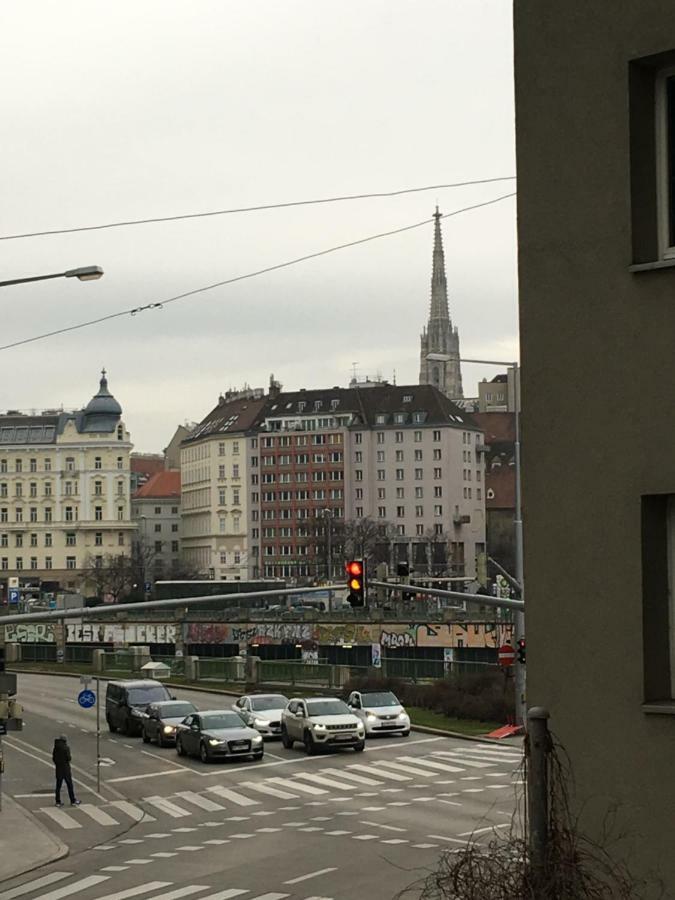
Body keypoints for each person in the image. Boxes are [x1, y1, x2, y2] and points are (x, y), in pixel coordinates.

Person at [52, 735, 80, 807]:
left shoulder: (56, 748)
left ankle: (58, 801)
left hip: (58, 769)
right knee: (69, 785)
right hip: (65, 769)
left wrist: (57, 764)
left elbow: (54, 758)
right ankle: (72, 800)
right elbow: (68, 758)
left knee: (58, 786)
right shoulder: (66, 748)